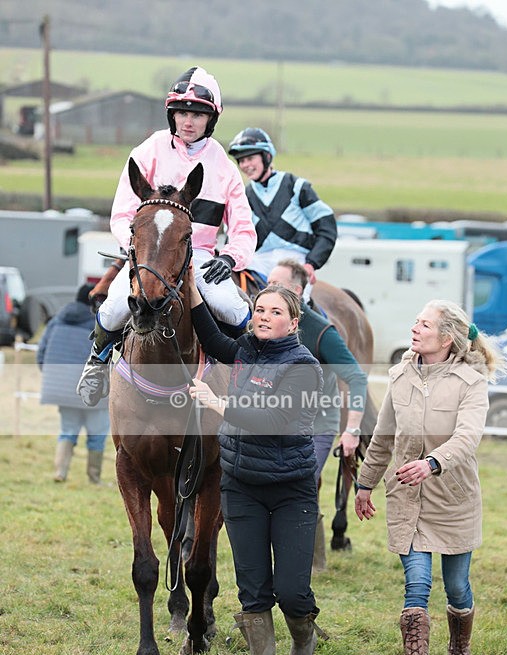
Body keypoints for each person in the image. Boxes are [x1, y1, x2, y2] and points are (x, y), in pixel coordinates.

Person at [354, 300, 507, 655]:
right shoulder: (400, 376)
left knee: (457, 587)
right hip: (408, 496)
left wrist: (433, 464)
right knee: (417, 584)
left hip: (454, 498)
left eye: (425, 324)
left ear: (446, 337)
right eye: (416, 322)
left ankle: (459, 647)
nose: (415, 328)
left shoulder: (471, 382)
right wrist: (365, 483)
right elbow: (384, 436)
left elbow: (467, 438)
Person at [77, 66, 257, 407]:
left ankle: (241, 372)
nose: (188, 121)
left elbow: (245, 230)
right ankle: (97, 363)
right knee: (115, 307)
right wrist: (135, 247)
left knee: (233, 309)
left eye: (198, 114)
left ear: (211, 119)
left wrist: (231, 258)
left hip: (200, 254)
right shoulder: (148, 150)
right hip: (146, 253)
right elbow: (121, 214)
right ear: (171, 115)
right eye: (182, 113)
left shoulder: (223, 165)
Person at [187, 272, 325, 655]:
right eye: (260, 310)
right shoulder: (245, 350)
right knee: (252, 587)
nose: (265, 317)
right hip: (241, 486)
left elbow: (273, 421)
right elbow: (208, 332)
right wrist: (189, 282)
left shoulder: (304, 366)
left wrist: (218, 403)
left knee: (291, 590)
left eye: (275, 311)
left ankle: (303, 640)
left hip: (291, 491)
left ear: (293, 321)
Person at [267, 258, 368, 571]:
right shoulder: (262, 324)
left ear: (297, 291)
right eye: (267, 284)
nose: (268, 290)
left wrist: (351, 428)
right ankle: (307, 560)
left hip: (316, 426)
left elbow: (356, 377)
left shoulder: (322, 331)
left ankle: (309, 563)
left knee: (298, 486)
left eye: (277, 286)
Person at [228, 127, 337, 298]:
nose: (245, 165)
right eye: (241, 161)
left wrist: (311, 263)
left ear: (267, 156)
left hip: (295, 262)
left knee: (292, 302)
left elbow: (327, 227)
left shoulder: (296, 186)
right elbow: (234, 237)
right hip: (257, 263)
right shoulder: (243, 195)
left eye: (250, 158)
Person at [37, 284, 110, 483]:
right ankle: (94, 478)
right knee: (97, 433)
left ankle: (60, 473)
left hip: (63, 389)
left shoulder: (57, 319)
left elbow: (41, 352)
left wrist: (53, 376)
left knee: (67, 431)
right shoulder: (100, 322)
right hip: (91, 390)